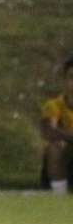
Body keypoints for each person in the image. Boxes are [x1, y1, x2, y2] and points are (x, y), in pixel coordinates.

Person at [39, 56, 73, 195]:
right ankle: (59, 193)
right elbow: (49, 131)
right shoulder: (54, 105)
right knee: (56, 146)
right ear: (64, 80)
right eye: (72, 77)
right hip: (66, 160)